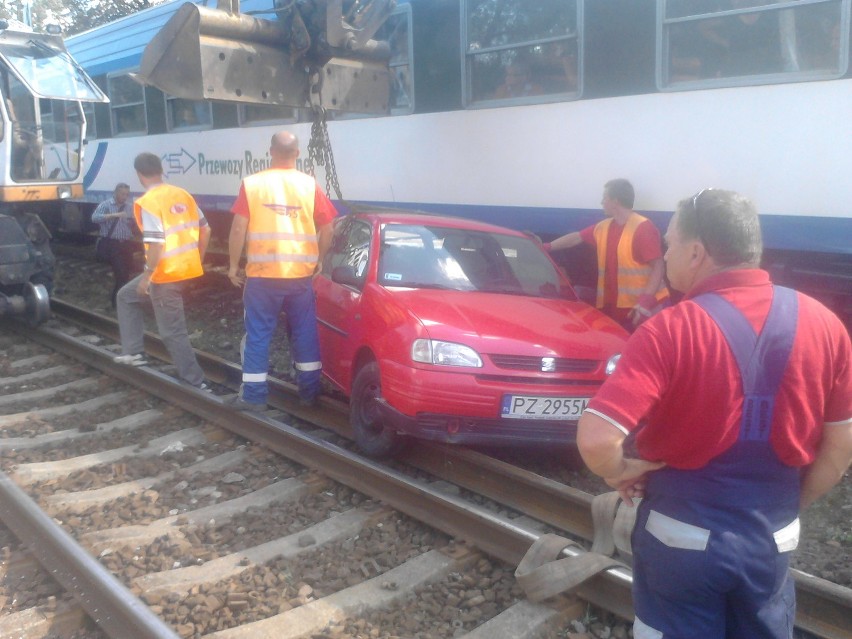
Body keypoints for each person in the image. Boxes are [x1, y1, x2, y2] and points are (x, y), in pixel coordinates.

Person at [576, 189, 852, 639]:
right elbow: (840, 450)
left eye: (669, 244)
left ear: (697, 252)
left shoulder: (670, 328)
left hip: (679, 534)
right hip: (772, 535)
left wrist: (620, 471)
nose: (664, 254)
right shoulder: (826, 324)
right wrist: (783, 509)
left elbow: (595, 439)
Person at [226, 131, 337, 411]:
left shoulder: (252, 184)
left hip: (262, 276)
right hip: (299, 276)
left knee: (259, 335)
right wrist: (319, 259)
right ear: (297, 154)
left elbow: (239, 227)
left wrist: (233, 265)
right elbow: (328, 227)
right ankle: (310, 393)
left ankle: (253, 398)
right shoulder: (309, 185)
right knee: (304, 332)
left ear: (271, 152)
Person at [113, 152, 211, 392]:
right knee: (126, 296)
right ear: (160, 170)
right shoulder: (182, 194)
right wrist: (197, 259)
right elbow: (206, 229)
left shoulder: (149, 202)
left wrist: (147, 276)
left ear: (139, 175)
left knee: (172, 332)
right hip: (184, 269)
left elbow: (156, 243)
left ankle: (196, 382)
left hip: (165, 274)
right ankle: (134, 352)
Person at [543, 179, 669, 330]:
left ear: (615, 201)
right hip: (620, 309)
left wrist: (646, 301)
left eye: (605, 198)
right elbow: (576, 237)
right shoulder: (605, 227)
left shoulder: (642, 228)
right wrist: (546, 247)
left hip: (644, 309)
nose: (602, 202)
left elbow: (658, 265)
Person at [92, 183, 139, 307]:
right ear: (116, 193)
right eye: (122, 194)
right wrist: (114, 215)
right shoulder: (106, 205)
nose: (125, 197)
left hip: (126, 244)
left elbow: (134, 222)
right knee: (121, 273)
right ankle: (117, 302)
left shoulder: (129, 207)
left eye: (127, 194)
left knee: (127, 272)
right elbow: (94, 218)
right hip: (112, 244)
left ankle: (120, 300)